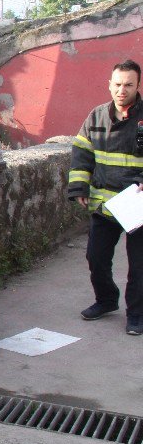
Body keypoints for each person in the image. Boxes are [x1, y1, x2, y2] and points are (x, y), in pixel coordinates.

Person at [67, 59, 143, 335]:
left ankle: (136, 315)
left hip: (138, 206)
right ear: (109, 85)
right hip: (105, 204)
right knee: (96, 258)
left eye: (128, 85)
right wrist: (79, 188)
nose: (122, 90)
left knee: (139, 267)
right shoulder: (96, 116)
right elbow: (81, 154)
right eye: (118, 84)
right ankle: (106, 300)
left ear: (137, 85)